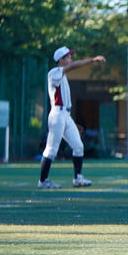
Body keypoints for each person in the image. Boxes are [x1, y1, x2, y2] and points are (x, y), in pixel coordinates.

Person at [38, 46, 106, 189]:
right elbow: (74, 66)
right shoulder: (54, 72)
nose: (71, 59)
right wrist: (92, 60)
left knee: (78, 146)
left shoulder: (62, 75)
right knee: (51, 149)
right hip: (57, 115)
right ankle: (43, 180)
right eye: (68, 57)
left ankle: (78, 178)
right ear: (61, 60)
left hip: (65, 115)